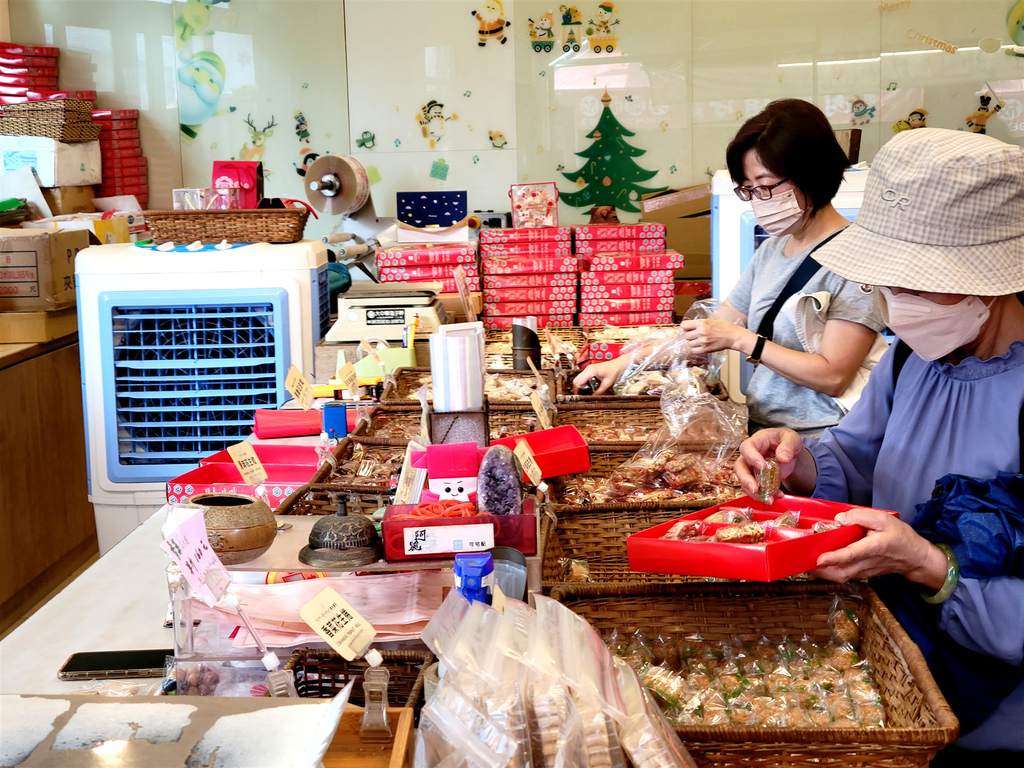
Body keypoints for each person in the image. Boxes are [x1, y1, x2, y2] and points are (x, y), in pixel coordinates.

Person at [734, 128, 1024, 762]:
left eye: (918, 285)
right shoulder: (914, 361)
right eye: (886, 285)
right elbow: (861, 455)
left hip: (997, 718)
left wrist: (929, 564)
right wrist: (800, 459)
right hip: (899, 673)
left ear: (995, 278)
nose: (893, 309)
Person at [575, 99, 886, 437]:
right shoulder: (772, 249)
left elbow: (833, 376)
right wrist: (622, 364)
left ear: (811, 172)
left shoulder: (854, 259)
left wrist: (742, 340)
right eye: (748, 189)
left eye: (766, 186)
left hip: (824, 438)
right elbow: (713, 328)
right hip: (763, 428)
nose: (758, 200)